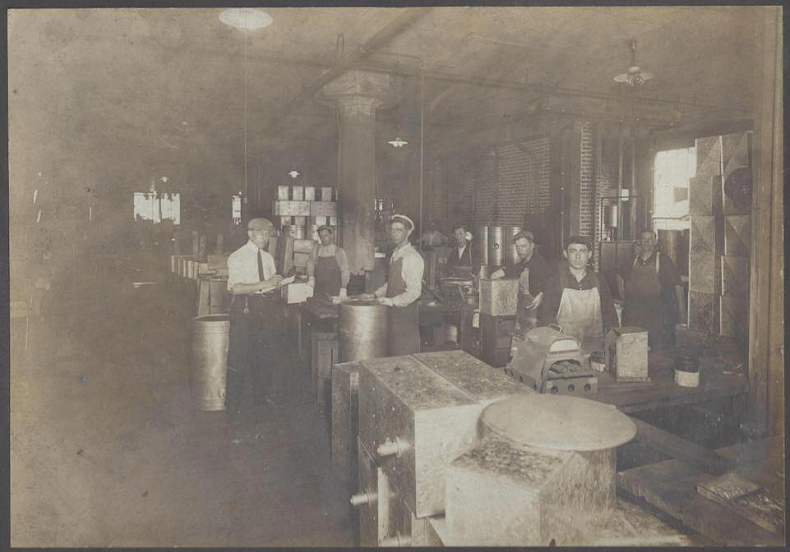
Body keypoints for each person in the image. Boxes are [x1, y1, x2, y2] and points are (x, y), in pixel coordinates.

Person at [225, 218, 285, 422]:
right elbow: (236, 288)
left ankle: (262, 397)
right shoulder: (237, 257)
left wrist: (277, 283)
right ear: (249, 233)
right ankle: (233, 405)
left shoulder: (268, 258)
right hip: (244, 308)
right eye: (261, 232)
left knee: (264, 354)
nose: (265, 237)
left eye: (268, 233)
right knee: (239, 355)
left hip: (264, 308)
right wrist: (265, 283)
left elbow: (268, 284)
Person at [538, 235, 618, 354]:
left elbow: (610, 315)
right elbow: (546, 317)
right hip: (564, 348)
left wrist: (613, 342)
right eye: (573, 251)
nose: (578, 256)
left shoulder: (599, 281)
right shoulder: (555, 282)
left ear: (589, 255)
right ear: (566, 254)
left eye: (582, 251)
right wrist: (557, 342)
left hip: (596, 348)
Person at [359, 214, 425, 356]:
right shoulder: (396, 254)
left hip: (404, 317)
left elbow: (414, 292)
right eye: (393, 230)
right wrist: (375, 294)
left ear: (408, 233)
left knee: (404, 356)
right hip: (391, 315)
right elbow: (392, 282)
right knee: (391, 356)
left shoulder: (412, 257)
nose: (394, 233)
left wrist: (391, 301)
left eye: (399, 230)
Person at [618, 229, 686, 349]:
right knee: (632, 347)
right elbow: (619, 275)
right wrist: (623, 294)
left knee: (654, 348)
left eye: (650, 239)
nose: (647, 242)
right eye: (644, 239)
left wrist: (681, 312)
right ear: (639, 241)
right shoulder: (633, 260)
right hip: (633, 313)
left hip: (655, 314)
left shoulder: (663, 260)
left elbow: (677, 285)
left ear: (655, 241)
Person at [490, 230, 552, 331]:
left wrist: (542, 294)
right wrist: (503, 271)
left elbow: (550, 282)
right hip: (526, 309)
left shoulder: (540, 263)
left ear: (532, 246)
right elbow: (517, 268)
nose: (520, 250)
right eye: (517, 247)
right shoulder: (525, 261)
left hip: (536, 314)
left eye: (523, 246)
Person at [306, 225, 349, 298]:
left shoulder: (339, 251)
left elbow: (345, 271)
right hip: (318, 291)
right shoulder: (316, 250)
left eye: (325, 235)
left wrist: (343, 288)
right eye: (321, 236)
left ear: (331, 235)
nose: (323, 239)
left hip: (334, 292)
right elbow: (310, 264)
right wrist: (311, 278)